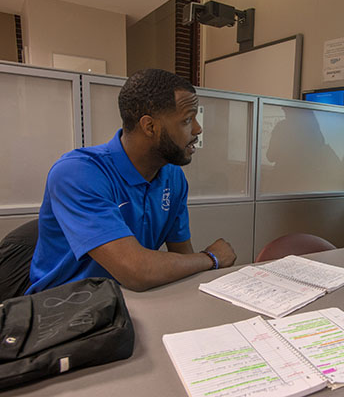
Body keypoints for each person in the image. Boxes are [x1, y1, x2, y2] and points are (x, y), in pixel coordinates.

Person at [26, 68, 236, 294]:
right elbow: (136, 271)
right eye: (187, 120)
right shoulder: (77, 173)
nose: (198, 129)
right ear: (150, 126)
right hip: (65, 308)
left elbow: (183, 257)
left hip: (131, 301)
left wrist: (203, 262)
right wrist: (211, 258)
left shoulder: (172, 176)